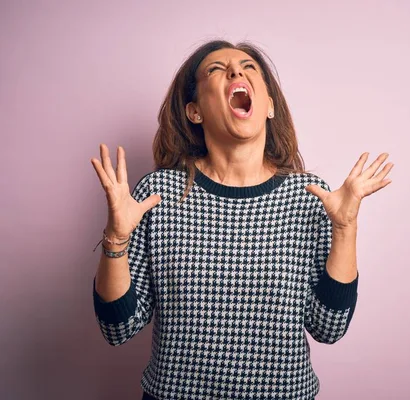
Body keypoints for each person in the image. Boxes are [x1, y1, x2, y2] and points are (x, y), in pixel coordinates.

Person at [90, 40, 393, 400]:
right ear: (194, 112)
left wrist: (344, 229)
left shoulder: (309, 197)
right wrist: (116, 239)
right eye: (215, 70)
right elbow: (117, 328)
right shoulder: (158, 193)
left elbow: (329, 327)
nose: (236, 71)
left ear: (267, 106)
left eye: (249, 67)